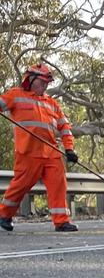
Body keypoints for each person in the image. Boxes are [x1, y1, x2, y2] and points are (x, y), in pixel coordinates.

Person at [0, 63, 79, 232]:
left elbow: (64, 127)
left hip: (51, 152)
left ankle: (61, 221)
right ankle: (4, 215)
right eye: (42, 82)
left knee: (59, 184)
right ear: (31, 80)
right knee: (21, 186)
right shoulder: (16, 95)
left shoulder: (51, 103)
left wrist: (69, 148)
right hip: (28, 152)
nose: (45, 86)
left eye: (47, 83)